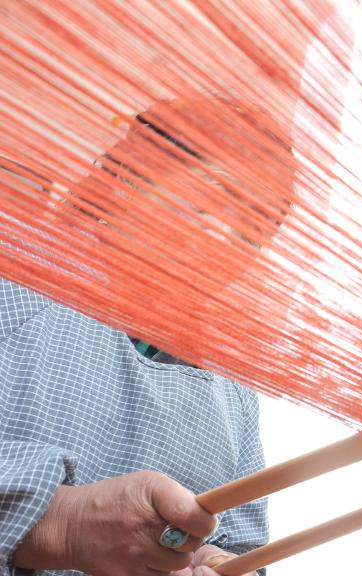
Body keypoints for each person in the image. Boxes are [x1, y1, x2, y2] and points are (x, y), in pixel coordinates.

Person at [0, 95, 298, 576]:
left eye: (255, 227)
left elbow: (238, 540)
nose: (227, 235)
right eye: (214, 197)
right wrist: (56, 524)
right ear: (131, 177)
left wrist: (212, 560)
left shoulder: (233, 388)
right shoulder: (16, 288)